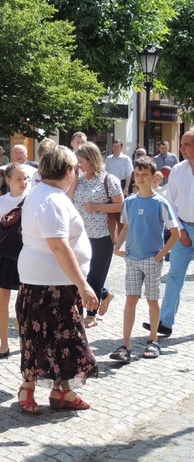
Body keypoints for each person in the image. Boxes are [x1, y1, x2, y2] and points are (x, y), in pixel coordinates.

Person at [15, 146, 98, 414]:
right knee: (52, 338)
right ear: (67, 170)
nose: (76, 172)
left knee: (55, 340)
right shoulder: (51, 199)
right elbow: (59, 246)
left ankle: (62, 392)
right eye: (74, 167)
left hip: (50, 281)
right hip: (49, 283)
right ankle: (30, 389)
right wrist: (84, 285)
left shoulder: (46, 194)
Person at [109, 157, 179, 362]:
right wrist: (116, 248)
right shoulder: (129, 202)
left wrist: (159, 256)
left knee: (152, 300)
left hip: (152, 259)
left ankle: (153, 339)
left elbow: (175, 233)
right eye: (137, 174)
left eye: (144, 174)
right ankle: (125, 344)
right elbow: (126, 228)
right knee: (131, 299)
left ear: (153, 177)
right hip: (132, 259)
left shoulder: (160, 202)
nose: (140, 178)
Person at [70, 142, 123, 328]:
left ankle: (91, 314)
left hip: (102, 235)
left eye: (81, 161)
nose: (79, 164)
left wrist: (97, 207)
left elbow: (120, 205)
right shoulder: (80, 178)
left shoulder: (109, 180)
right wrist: (75, 175)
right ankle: (104, 295)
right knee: (80, 275)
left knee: (95, 276)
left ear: (91, 160)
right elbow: (69, 198)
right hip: (81, 234)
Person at [149, 131, 194, 337]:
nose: (182, 148)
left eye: (187, 145)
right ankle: (165, 322)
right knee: (175, 276)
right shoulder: (177, 170)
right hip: (183, 227)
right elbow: (171, 203)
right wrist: (181, 230)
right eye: (182, 145)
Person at [0, 163, 29, 359]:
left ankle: (26, 343)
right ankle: (4, 344)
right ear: (9, 180)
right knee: (2, 298)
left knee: (26, 299)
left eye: (25, 178)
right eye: (19, 179)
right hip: (6, 253)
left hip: (27, 253)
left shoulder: (32, 199)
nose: (23, 182)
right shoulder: (1, 202)